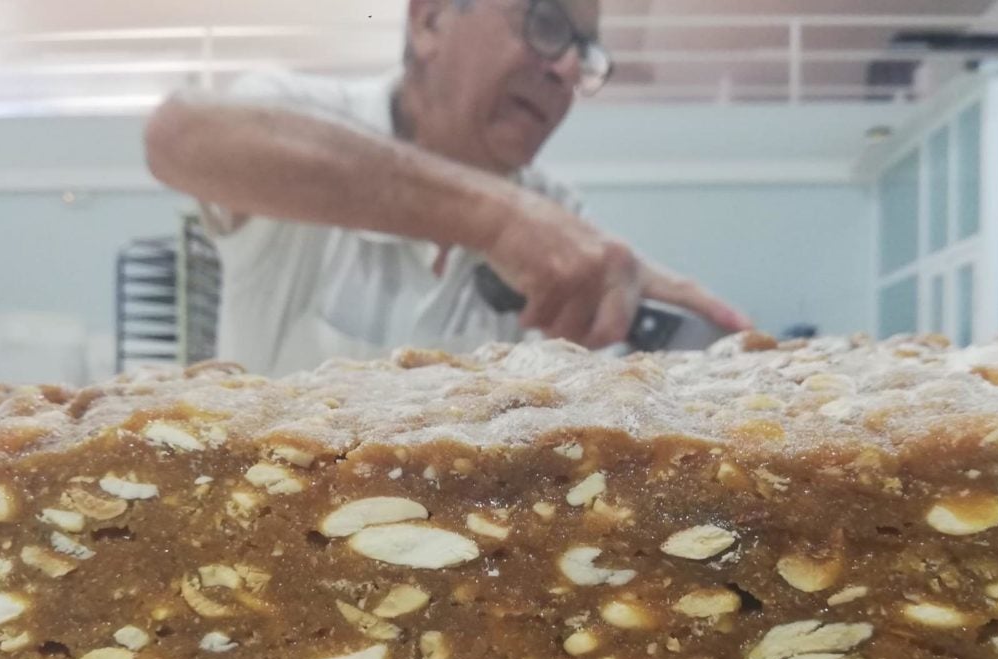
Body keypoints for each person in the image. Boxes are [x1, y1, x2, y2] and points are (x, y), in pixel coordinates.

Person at [144, 0, 751, 377]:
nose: (566, 68)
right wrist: (498, 220)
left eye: (584, 52)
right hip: (268, 565)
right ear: (430, 19)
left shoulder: (561, 219)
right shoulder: (301, 119)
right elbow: (178, 136)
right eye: (544, 22)